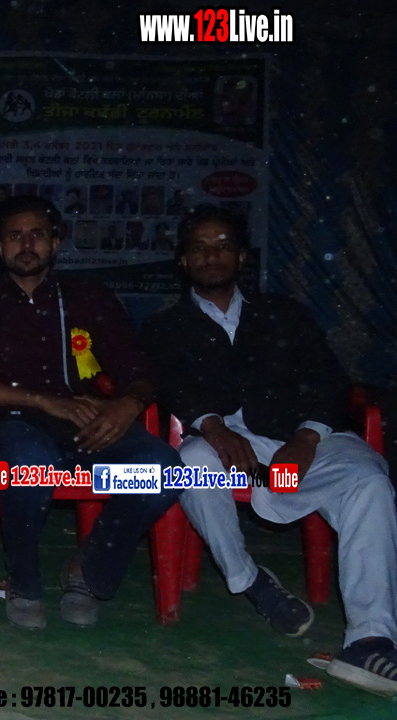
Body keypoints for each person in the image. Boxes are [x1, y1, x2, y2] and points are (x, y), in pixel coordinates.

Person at [141, 204, 397, 696]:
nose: (211, 256)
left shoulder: (283, 314)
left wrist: (306, 437)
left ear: (242, 257)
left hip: (305, 439)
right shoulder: (166, 326)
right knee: (190, 464)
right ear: (183, 260)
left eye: (222, 245)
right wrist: (214, 428)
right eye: (198, 247)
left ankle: (370, 638)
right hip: (227, 447)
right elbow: (171, 384)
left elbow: (327, 378)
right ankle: (250, 581)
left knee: (369, 481)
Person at [0, 195, 182, 629]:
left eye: (37, 234)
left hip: (92, 423)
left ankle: (87, 570)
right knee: (31, 464)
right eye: (15, 236)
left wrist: (127, 405)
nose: (26, 244)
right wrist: (43, 401)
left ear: (55, 243)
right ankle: (24, 579)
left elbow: (139, 371)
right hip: (16, 421)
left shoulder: (90, 298)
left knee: (164, 468)